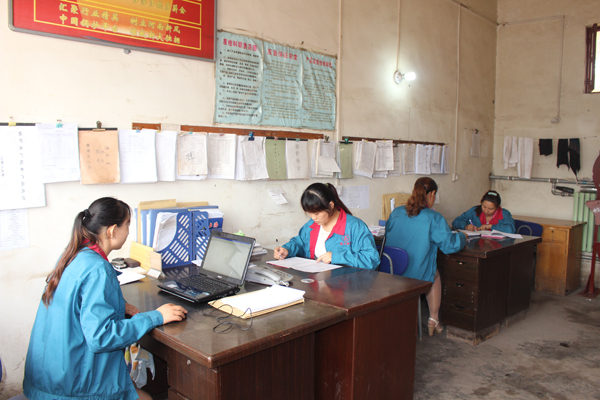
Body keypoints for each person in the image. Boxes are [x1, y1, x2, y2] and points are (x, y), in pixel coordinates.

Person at [23, 197, 188, 400]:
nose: (128, 232)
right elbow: (101, 337)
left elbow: (78, 305)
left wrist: (118, 306)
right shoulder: (98, 270)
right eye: (127, 225)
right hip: (70, 389)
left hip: (46, 379)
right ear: (112, 230)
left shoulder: (74, 255)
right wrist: (157, 316)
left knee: (132, 385)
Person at [385, 177, 467, 336]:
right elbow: (450, 246)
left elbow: (388, 231)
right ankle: (434, 319)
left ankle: (432, 320)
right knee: (435, 274)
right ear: (432, 194)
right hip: (414, 274)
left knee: (430, 270)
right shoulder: (434, 218)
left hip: (391, 270)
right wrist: (463, 236)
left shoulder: (396, 212)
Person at [274, 183, 380, 270]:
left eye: (316, 213)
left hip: (347, 283)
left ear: (331, 205)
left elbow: (371, 259)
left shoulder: (355, 226)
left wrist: (336, 257)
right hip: (316, 280)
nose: (313, 218)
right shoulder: (312, 225)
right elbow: (299, 243)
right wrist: (287, 250)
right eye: (309, 213)